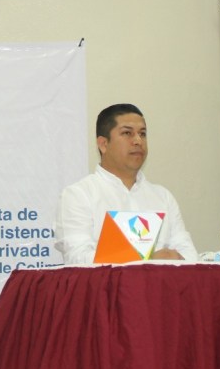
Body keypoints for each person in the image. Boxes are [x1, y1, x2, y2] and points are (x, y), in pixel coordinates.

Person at [54, 103, 197, 264]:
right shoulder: (78, 195)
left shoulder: (163, 197)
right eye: (127, 133)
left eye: (142, 134)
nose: (138, 141)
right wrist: (150, 261)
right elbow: (78, 258)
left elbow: (190, 256)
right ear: (103, 144)